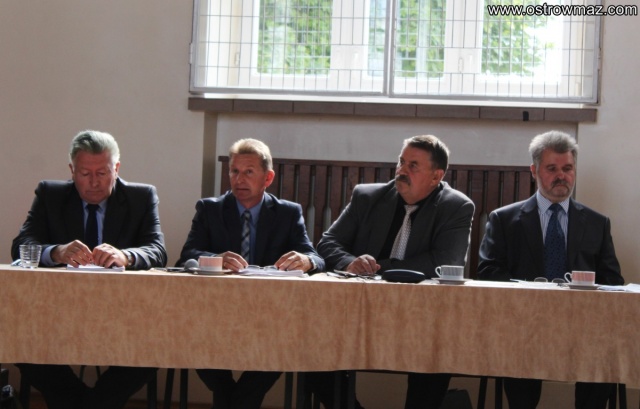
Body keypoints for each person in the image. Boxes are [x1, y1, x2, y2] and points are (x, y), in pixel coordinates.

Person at [310, 134, 475, 409]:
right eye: (401, 162)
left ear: (436, 177)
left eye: (413, 166)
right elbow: (328, 242)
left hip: (422, 317)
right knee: (311, 351)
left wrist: (376, 267)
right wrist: (350, 262)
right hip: (360, 310)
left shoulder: (456, 206)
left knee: (437, 352)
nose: (401, 170)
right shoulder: (367, 197)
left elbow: (447, 261)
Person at [11, 130, 167, 409]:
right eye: (85, 174)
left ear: (116, 169)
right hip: (56, 311)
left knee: (157, 345)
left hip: (125, 314)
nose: (94, 182)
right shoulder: (50, 194)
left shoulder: (141, 196)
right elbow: (21, 245)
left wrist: (125, 256)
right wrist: (56, 252)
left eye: (102, 173)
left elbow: (157, 250)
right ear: (72, 171)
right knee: (20, 338)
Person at [478, 130, 624, 409]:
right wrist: (531, 294)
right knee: (517, 353)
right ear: (534, 171)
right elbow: (488, 273)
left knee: (604, 352)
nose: (561, 176)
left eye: (567, 168)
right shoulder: (504, 220)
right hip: (525, 323)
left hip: (584, 326)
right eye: (552, 169)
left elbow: (613, 280)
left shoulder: (597, 223)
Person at [177, 138, 325, 409]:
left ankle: (231, 401)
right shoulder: (210, 209)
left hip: (270, 315)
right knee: (192, 336)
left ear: (267, 178)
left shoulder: (287, 213)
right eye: (234, 171)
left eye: (248, 172)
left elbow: (316, 257)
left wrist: (305, 260)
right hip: (216, 311)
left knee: (285, 340)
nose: (239, 179)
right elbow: (186, 256)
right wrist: (214, 259)